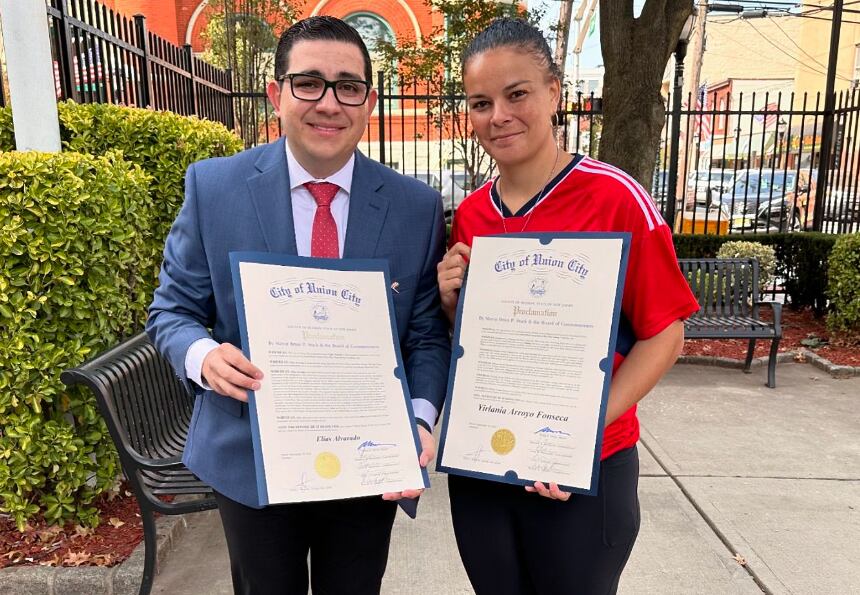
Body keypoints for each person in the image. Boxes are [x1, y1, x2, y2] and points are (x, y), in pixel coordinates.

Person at [146, 16, 450, 595]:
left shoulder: (415, 207)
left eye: (348, 87)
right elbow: (172, 310)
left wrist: (417, 418)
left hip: (368, 458)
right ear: (276, 94)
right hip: (251, 455)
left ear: (369, 102)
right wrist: (204, 356)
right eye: (308, 83)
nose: (328, 103)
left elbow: (426, 334)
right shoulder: (214, 188)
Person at [437, 18, 700, 595]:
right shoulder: (473, 214)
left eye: (517, 94)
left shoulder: (615, 198)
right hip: (486, 461)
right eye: (481, 103)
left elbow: (665, 333)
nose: (498, 115)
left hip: (584, 469)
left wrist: (575, 434)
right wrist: (453, 303)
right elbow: (482, 345)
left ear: (554, 92)